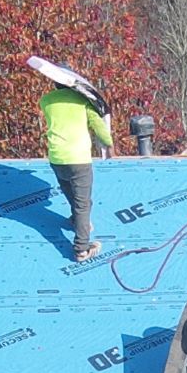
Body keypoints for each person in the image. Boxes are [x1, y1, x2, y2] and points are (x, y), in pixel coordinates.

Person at [37, 64, 113, 262]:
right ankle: (81, 248)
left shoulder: (46, 101)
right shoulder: (82, 101)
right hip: (78, 157)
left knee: (70, 191)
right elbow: (98, 126)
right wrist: (109, 144)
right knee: (83, 203)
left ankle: (77, 221)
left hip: (56, 156)